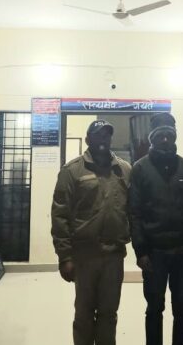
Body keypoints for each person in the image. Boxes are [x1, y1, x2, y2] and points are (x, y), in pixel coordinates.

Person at [51, 120, 131, 345]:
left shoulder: (124, 170)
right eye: (98, 135)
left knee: (109, 313)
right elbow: (60, 215)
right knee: (84, 314)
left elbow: (133, 210)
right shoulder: (72, 171)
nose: (103, 139)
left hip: (114, 255)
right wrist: (65, 257)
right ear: (88, 140)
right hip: (84, 256)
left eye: (107, 135)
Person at [128, 112, 183, 345]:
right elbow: (134, 213)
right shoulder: (140, 169)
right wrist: (141, 251)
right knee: (154, 307)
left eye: (169, 135)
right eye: (160, 135)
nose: (164, 140)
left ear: (174, 137)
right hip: (154, 254)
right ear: (152, 138)